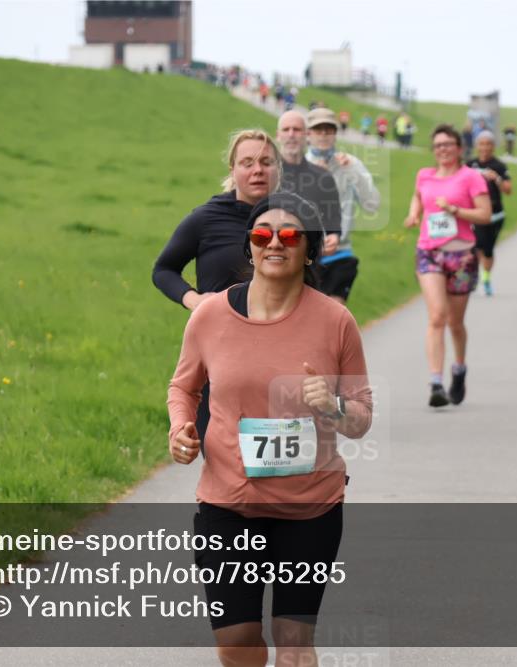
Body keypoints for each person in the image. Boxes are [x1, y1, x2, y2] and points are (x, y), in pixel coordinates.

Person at [168, 191, 373, 667]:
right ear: (249, 247)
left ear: (309, 249)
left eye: (289, 235)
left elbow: (362, 417)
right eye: (263, 234)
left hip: (310, 506)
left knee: (294, 643)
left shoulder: (335, 321)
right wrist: (180, 429)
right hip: (228, 501)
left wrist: (335, 406)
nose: (274, 243)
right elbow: (183, 388)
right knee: (237, 641)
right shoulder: (210, 315)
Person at [153, 129, 282, 445]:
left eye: (266, 162)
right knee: (225, 457)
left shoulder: (291, 219)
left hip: (280, 354)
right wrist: (194, 300)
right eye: (247, 162)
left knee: (278, 470)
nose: (257, 170)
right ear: (232, 170)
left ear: (278, 169)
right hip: (221, 357)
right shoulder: (206, 218)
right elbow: (163, 270)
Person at [404, 124, 492, 407]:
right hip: (430, 252)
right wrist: (414, 213)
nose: (443, 149)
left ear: (459, 148)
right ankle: (435, 383)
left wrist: (456, 210)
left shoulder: (471, 177)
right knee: (437, 316)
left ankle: (459, 368)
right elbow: (418, 196)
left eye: (448, 144)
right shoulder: (425, 176)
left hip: (462, 256)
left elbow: (485, 215)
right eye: (438, 145)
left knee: (455, 322)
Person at [306, 107, 381, 304]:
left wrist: (351, 171)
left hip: (340, 253)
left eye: (328, 129)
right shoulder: (298, 166)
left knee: (334, 317)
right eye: (318, 129)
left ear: (335, 133)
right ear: (308, 134)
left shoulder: (350, 163)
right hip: (304, 256)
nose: (323, 134)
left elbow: (372, 204)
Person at [277, 110, 342, 245]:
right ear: (278, 135)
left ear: (307, 135)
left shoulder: (323, 176)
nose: (291, 134)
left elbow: (333, 216)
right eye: (286, 129)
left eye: (297, 129)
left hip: (309, 258)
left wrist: (334, 236)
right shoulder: (265, 174)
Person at [466, 130, 512, 296]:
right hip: (475, 213)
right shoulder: (470, 164)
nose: (484, 147)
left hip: (495, 215)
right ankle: (475, 277)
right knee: (475, 247)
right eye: (481, 144)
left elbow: (508, 190)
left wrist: (497, 179)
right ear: (477, 145)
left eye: (488, 144)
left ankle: (486, 277)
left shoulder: (499, 166)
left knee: (487, 249)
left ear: (493, 146)